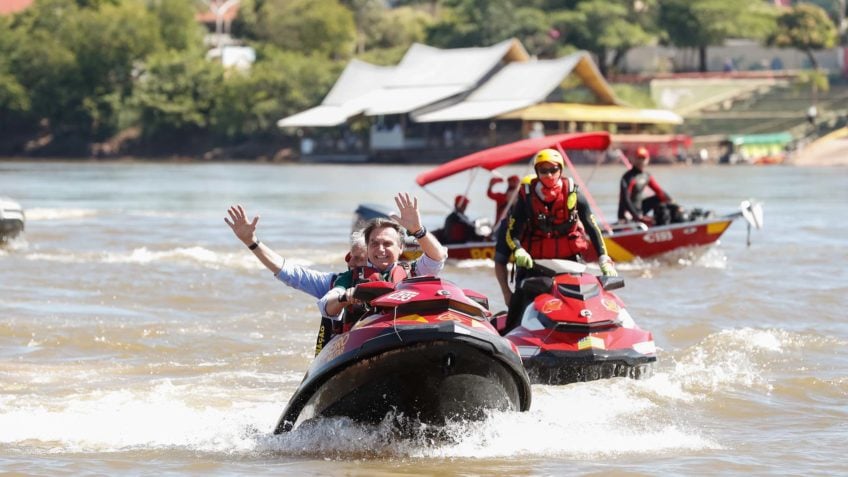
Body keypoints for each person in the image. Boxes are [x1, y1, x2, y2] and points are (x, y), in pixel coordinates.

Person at [225, 204, 367, 354]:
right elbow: (290, 273)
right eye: (349, 257)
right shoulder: (332, 283)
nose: (350, 263)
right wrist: (251, 242)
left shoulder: (394, 281)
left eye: (358, 258)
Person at [503, 149, 616, 333]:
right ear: (537, 172)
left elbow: (592, 226)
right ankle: (511, 335)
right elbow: (511, 233)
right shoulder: (526, 197)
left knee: (586, 300)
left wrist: (604, 257)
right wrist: (518, 250)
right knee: (519, 300)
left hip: (570, 262)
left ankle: (593, 331)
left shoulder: (574, 194)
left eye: (553, 170)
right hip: (534, 263)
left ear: (560, 170)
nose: (549, 175)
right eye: (543, 170)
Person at [319, 193, 447, 323]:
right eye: (374, 244)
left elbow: (437, 258)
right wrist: (345, 297)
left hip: (404, 330)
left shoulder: (414, 272)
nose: (380, 249)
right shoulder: (348, 278)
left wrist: (418, 230)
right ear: (367, 248)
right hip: (365, 336)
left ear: (401, 247)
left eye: (387, 244)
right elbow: (326, 307)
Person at [617, 147, 679, 226]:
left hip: (640, 211)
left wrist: (676, 205)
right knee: (628, 204)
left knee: (659, 199)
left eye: (643, 158)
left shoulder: (646, 176)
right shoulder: (627, 177)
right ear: (634, 159)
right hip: (627, 213)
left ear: (647, 160)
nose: (641, 161)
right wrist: (637, 216)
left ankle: (662, 223)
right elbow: (625, 199)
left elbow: (660, 192)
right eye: (638, 158)